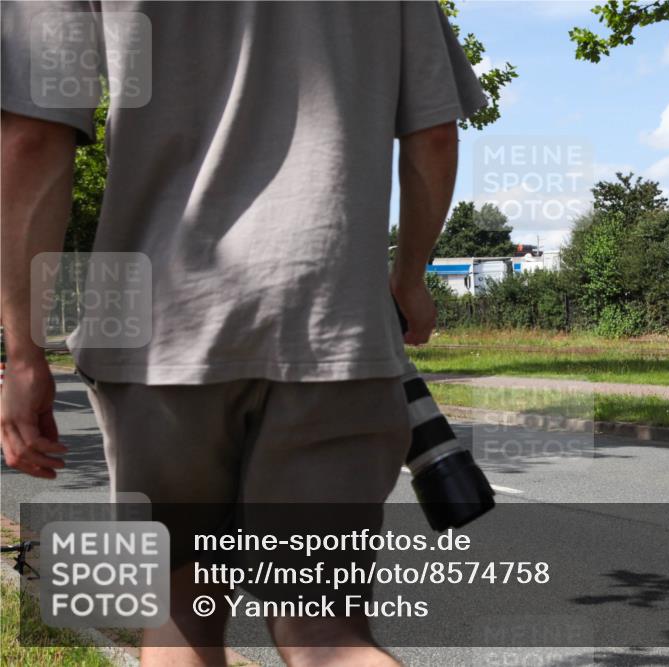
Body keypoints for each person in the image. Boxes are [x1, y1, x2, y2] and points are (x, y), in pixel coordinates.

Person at [0, 2, 485, 665]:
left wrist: (24, 350)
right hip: (332, 318)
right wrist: (410, 279)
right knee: (324, 631)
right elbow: (435, 135)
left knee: (180, 615)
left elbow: (31, 138)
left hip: (157, 324)